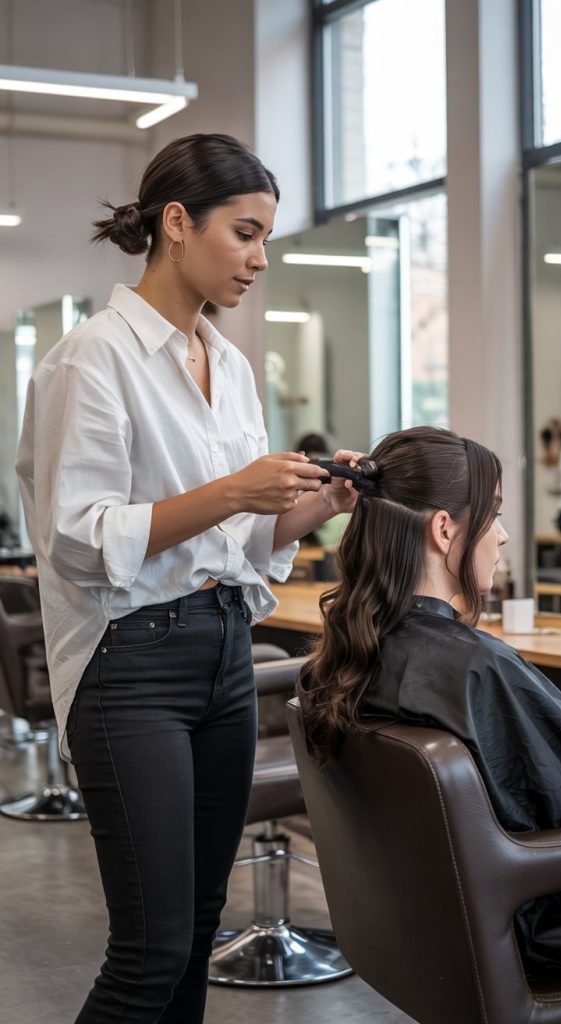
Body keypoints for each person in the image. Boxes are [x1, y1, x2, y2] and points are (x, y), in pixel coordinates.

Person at [15, 132, 362, 1024]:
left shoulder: (234, 369)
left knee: (200, 928)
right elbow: (77, 540)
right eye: (243, 233)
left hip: (224, 657)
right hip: (129, 667)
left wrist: (315, 503)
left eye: (266, 240)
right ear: (177, 222)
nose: (258, 259)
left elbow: (240, 543)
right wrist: (231, 490)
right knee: (150, 950)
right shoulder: (91, 360)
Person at [297, 425, 561, 979]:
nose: (502, 537)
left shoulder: (341, 661)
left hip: (436, 939)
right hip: (542, 934)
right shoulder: (477, 667)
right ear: (445, 530)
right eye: (493, 516)